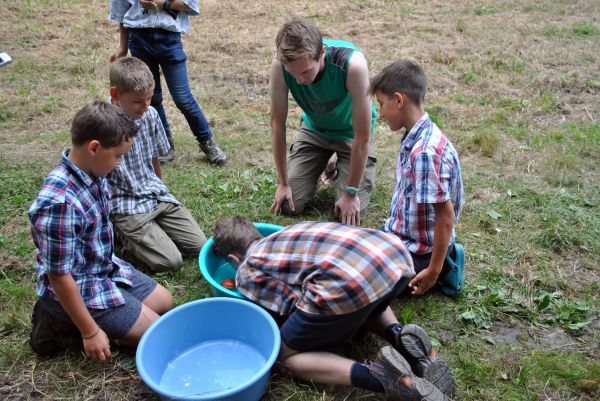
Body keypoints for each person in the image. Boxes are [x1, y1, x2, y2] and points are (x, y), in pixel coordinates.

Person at [212, 216, 455, 400]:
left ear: (234, 259)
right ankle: (401, 337)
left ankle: (381, 376)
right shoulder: (290, 231)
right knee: (367, 298)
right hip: (393, 258)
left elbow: (290, 305)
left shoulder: (247, 268)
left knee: (286, 356)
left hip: (349, 285)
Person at [28, 101, 174, 361]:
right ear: (94, 147)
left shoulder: (92, 170)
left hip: (102, 267)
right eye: (117, 156)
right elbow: (59, 276)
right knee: (156, 333)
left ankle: (115, 317)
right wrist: (89, 331)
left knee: (165, 302)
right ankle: (59, 322)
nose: (119, 163)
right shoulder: (59, 204)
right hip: (78, 285)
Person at [370, 60, 465, 297]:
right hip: (400, 235)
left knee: (363, 282)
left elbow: (445, 215)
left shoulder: (424, 152)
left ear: (399, 100)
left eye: (382, 104)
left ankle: (444, 265)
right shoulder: (418, 136)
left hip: (419, 253)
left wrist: (433, 270)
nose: (380, 114)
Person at [269, 18, 377, 226]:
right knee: (288, 205)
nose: (299, 81)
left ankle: (339, 160)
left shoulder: (353, 65)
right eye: (293, 74)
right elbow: (277, 124)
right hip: (315, 131)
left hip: (351, 135)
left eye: (305, 72)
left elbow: (363, 137)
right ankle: (327, 159)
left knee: (347, 217)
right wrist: (283, 183)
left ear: (321, 53)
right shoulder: (281, 65)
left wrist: (351, 193)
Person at [107, 56, 207, 273]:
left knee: (200, 246)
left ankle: (155, 230)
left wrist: (161, 189)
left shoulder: (150, 115)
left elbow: (155, 156)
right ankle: (122, 235)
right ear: (115, 95)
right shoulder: (103, 123)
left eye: (149, 99)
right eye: (137, 101)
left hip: (154, 195)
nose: (145, 107)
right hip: (126, 204)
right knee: (171, 262)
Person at [108, 0, 227, 165]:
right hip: (138, 37)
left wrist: (164, 3)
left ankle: (207, 141)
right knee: (151, 98)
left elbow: (190, 5)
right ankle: (164, 145)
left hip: (169, 39)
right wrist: (122, 46)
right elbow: (122, 10)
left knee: (183, 98)